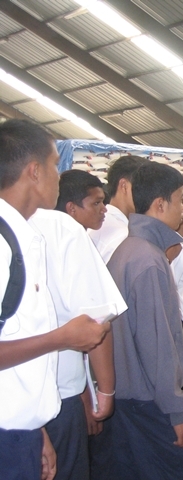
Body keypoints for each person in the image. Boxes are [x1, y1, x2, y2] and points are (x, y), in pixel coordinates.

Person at [0, 119, 109, 480]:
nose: (58, 176)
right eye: (53, 165)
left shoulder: (24, 235)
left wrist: (37, 428)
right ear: (34, 172)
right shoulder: (3, 244)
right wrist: (61, 338)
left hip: (21, 428)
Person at [106, 162, 183, 480]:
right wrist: (177, 411)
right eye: (180, 199)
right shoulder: (149, 260)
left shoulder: (129, 250)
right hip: (152, 403)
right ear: (160, 204)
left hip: (130, 400)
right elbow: (158, 345)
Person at [39, 171, 125, 480]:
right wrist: (105, 392)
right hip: (59, 396)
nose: (103, 209)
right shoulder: (62, 229)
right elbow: (96, 320)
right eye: (96, 203)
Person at [88, 155, 148, 263]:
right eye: (144, 187)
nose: (151, 195)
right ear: (124, 186)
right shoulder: (124, 236)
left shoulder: (97, 223)